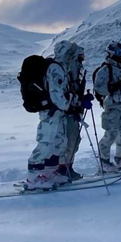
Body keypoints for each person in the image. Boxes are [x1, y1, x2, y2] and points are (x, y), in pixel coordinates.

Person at [25, 40, 90, 189]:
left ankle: (49, 173)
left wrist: (74, 103)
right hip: (51, 113)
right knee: (46, 143)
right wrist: (70, 106)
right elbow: (57, 95)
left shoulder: (61, 68)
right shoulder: (55, 69)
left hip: (58, 114)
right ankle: (32, 177)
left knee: (59, 143)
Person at [92, 41, 121, 172]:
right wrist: (112, 87)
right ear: (111, 54)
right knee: (111, 133)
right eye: (118, 53)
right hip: (113, 106)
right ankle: (104, 161)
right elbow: (98, 87)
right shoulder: (105, 70)